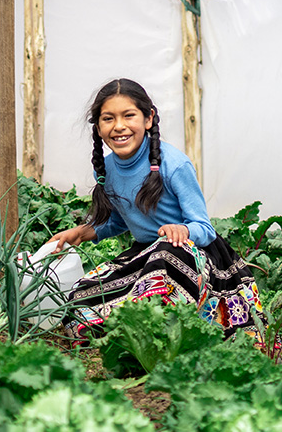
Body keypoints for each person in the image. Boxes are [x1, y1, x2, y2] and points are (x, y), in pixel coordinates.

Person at [48, 78, 263, 343]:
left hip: (193, 257)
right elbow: (119, 220)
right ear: (99, 127)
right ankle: (125, 334)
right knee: (81, 297)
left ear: (148, 118)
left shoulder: (174, 165)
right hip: (148, 255)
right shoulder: (106, 168)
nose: (119, 127)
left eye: (129, 116)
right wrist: (80, 233)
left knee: (163, 260)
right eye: (108, 119)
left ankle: (161, 333)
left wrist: (182, 229)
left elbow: (204, 229)